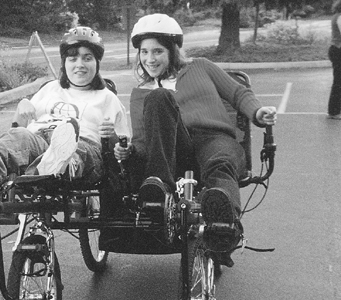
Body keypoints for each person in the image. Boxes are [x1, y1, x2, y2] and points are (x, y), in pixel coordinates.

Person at [114, 14, 277, 267]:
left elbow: (237, 92)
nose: (150, 59)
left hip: (214, 138)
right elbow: (145, 141)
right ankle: (159, 190)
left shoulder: (200, 66)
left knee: (220, 161)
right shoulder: (142, 93)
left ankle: (223, 228)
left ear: (172, 50)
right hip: (174, 149)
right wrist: (129, 151)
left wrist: (257, 112)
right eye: (144, 52)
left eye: (157, 51)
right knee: (158, 96)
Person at [0, 26, 130, 188]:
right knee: (19, 136)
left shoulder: (107, 98)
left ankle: (60, 165)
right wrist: (21, 110)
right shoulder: (49, 88)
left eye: (87, 58)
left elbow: (124, 149)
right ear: (64, 63)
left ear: (97, 64)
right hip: (39, 138)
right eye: (73, 58)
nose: (79, 65)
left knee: (76, 148)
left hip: (82, 143)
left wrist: (113, 137)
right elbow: (18, 130)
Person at [327, 0, 341, 120]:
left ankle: (335, 110)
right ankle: (334, 111)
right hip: (338, 50)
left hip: (336, 49)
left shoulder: (337, 16)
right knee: (338, 82)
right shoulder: (340, 17)